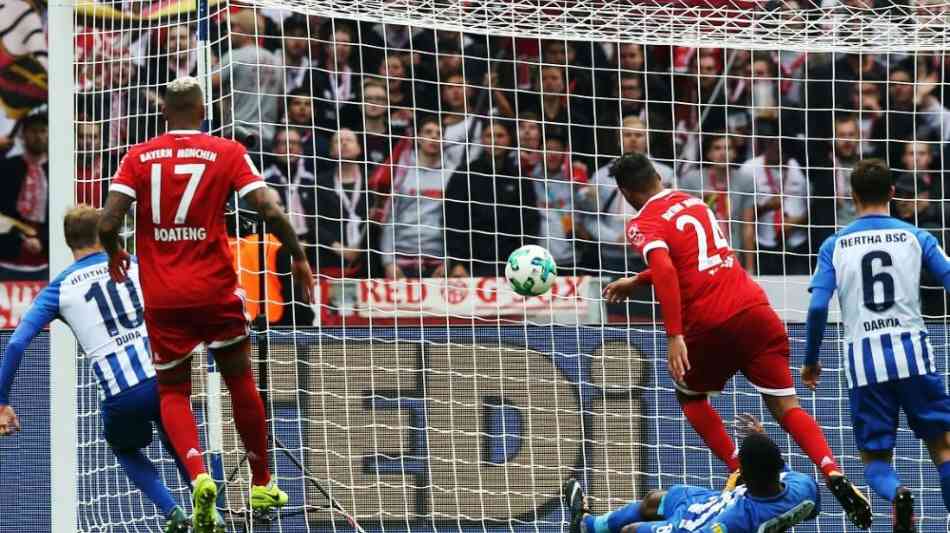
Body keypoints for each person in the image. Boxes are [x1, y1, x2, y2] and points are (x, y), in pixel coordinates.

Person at [602, 153, 872, 530]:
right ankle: (832, 470)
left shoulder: (642, 222)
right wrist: (637, 280)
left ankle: (737, 468)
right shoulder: (693, 202)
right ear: (657, 177)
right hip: (755, 307)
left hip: (710, 321)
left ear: (626, 192)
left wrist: (674, 334)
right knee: (786, 406)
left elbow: (666, 266)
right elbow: (694, 256)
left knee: (689, 395)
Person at [98, 76, 314, 533]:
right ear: (202, 113)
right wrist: (296, 257)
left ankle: (197, 476)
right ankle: (261, 482)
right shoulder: (227, 152)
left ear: (164, 115)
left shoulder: (138, 157)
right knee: (239, 379)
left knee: (174, 390)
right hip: (215, 291)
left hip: (164, 297)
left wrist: (114, 249)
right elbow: (270, 210)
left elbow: (108, 218)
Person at [0, 206, 190, 532]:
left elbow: (16, 343)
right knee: (178, 436)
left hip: (123, 394)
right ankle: (209, 505)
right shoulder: (133, 265)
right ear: (104, 234)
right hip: (163, 376)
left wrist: (2, 401)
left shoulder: (60, 288)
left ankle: (172, 511)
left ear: (66, 242)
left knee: (124, 447)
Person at [805, 159, 950, 533]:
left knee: (874, 460)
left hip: (864, 365)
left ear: (851, 197)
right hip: (915, 357)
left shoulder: (834, 245)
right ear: (893, 194)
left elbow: (818, 306)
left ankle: (899, 493)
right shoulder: (917, 237)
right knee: (944, 448)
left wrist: (811, 361)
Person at [563, 414, 820, 533]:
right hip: (713, 500)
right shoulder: (803, 486)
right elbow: (809, 505)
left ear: (747, 478)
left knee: (631, 531)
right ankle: (589, 526)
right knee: (656, 499)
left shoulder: (734, 522)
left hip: (698, 522)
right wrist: (761, 438)